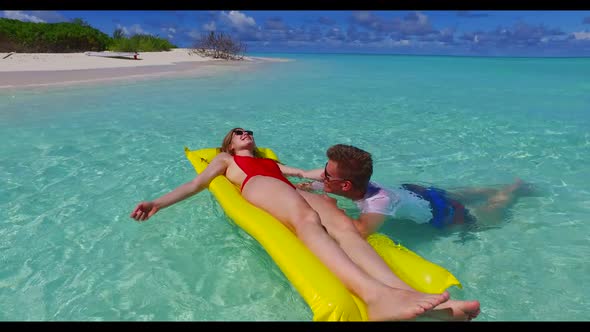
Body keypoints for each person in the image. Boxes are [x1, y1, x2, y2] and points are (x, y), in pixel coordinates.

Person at [130, 127, 479, 321]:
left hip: (283, 185)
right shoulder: (225, 159)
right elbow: (197, 183)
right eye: (238, 133)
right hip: (259, 188)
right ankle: (373, 297)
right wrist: (157, 202)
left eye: (248, 131)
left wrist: (337, 181)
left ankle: (401, 292)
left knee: (342, 224)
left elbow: (305, 175)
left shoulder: (273, 162)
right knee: (306, 219)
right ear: (229, 143)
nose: (245, 134)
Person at [297, 144, 534, 239]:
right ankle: (500, 187)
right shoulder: (357, 183)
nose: (321, 177)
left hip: (442, 215)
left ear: (345, 185)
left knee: (487, 215)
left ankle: (513, 190)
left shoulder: (377, 204)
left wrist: (327, 206)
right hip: (415, 192)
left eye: (325, 176)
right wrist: (310, 187)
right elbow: (322, 185)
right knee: (459, 193)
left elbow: (360, 232)